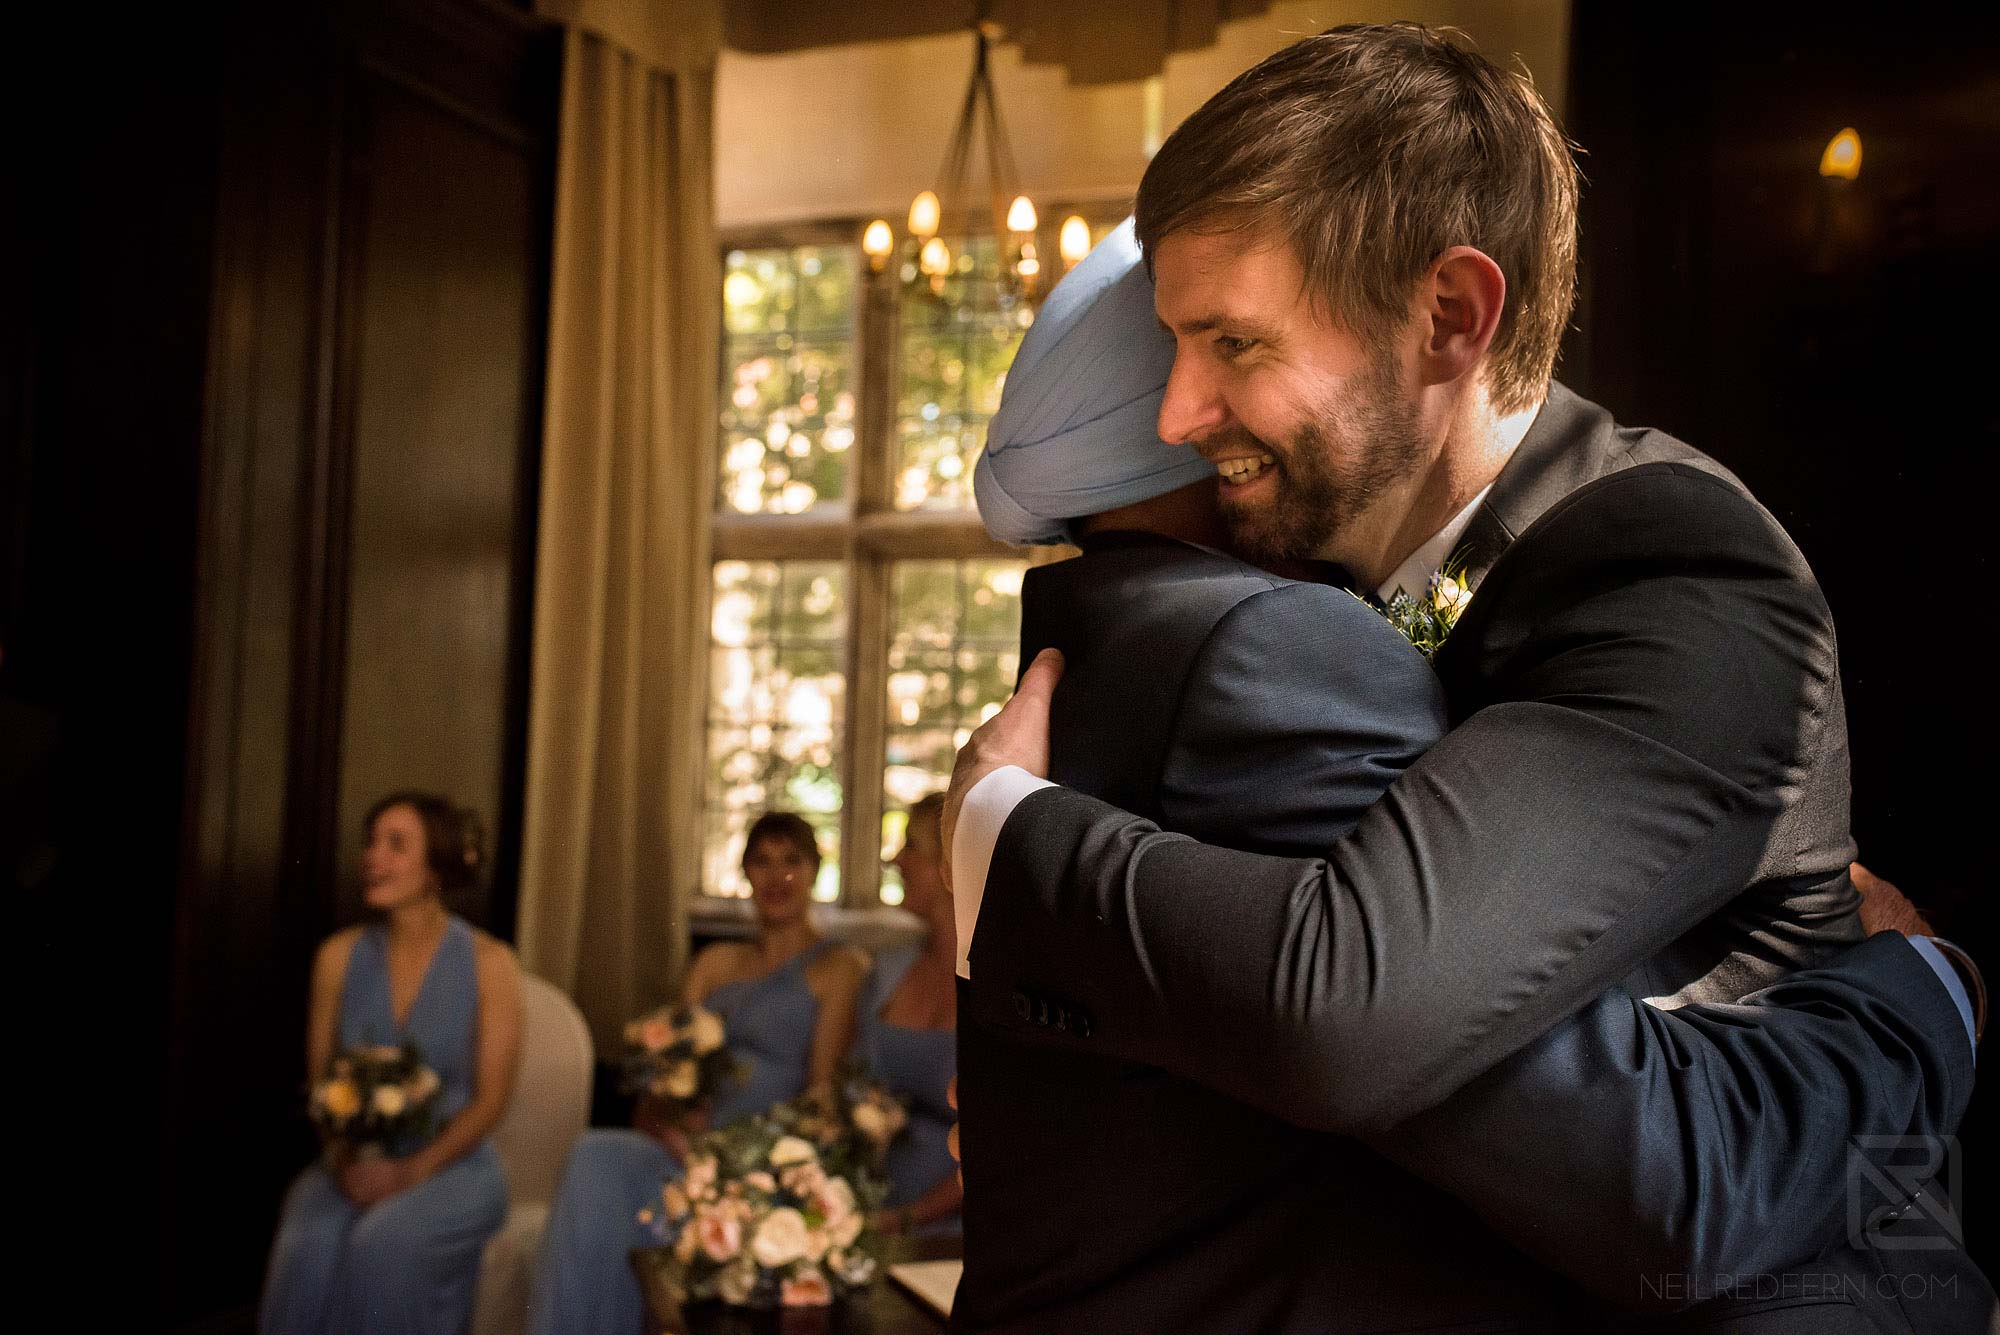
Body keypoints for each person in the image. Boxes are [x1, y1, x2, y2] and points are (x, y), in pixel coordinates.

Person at [948, 25, 1990, 1332]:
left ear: (1448, 317)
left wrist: (1006, 834)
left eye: (1234, 343)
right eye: (1172, 344)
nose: (1175, 414)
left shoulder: (1671, 566)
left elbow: (1353, 1005)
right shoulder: (1342, 576)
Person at [526, 811, 867, 1335]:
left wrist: (742, 1156)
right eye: (762, 862)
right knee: (597, 1155)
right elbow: (670, 1068)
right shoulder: (715, 963)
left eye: (792, 862)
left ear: (815, 872)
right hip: (686, 1145)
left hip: (765, 1159)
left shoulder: (838, 966)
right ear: (745, 873)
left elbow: (821, 1095)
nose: (777, 877)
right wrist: (672, 1122)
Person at [261, 792, 522, 1335]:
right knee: (306, 1244)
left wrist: (408, 1172)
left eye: (395, 845)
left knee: (383, 1244)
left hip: (452, 1166)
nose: (372, 857)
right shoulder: (336, 957)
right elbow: (321, 1085)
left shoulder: (490, 963)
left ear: (435, 867)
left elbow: (491, 1101)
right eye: (371, 842)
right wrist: (343, 1161)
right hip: (353, 1162)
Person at [861, 793, 961, 1237]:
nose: (895, 860)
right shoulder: (889, 969)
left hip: (957, 1229)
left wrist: (905, 1220)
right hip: (872, 1205)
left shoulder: (1000, 984)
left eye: (911, 847)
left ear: (950, 865)